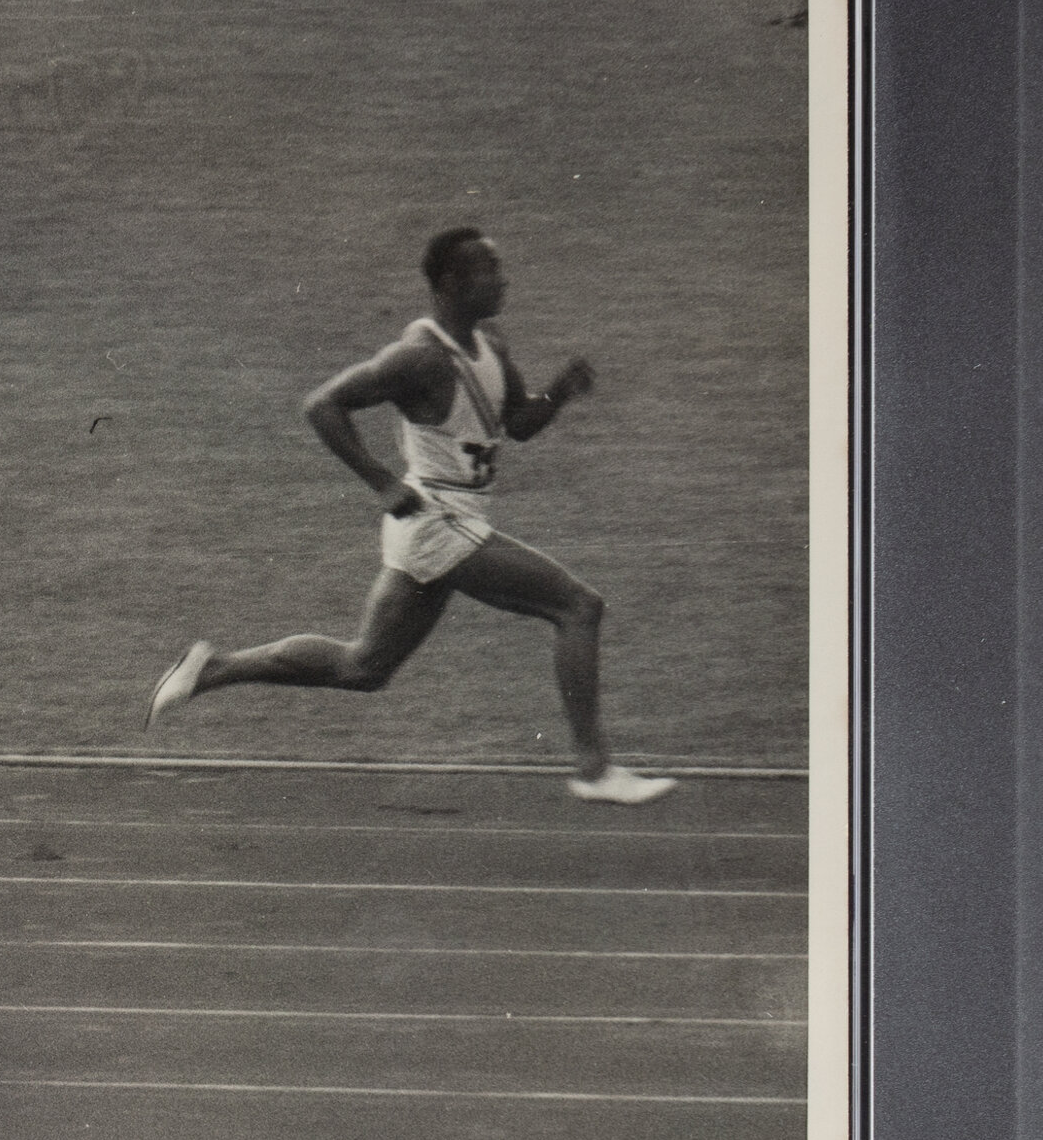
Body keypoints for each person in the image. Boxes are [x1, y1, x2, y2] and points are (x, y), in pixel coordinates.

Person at [146, 228, 676, 805]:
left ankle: (214, 667)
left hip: (449, 518)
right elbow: (322, 405)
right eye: (489, 270)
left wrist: (561, 391)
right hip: (434, 518)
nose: (504, 280)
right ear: (451, 283)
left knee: (365, 667)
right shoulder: (419, 358)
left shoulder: (490, 343)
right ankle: (595, 770)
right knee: (579, 606)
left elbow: (517, 423)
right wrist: (381, 481)